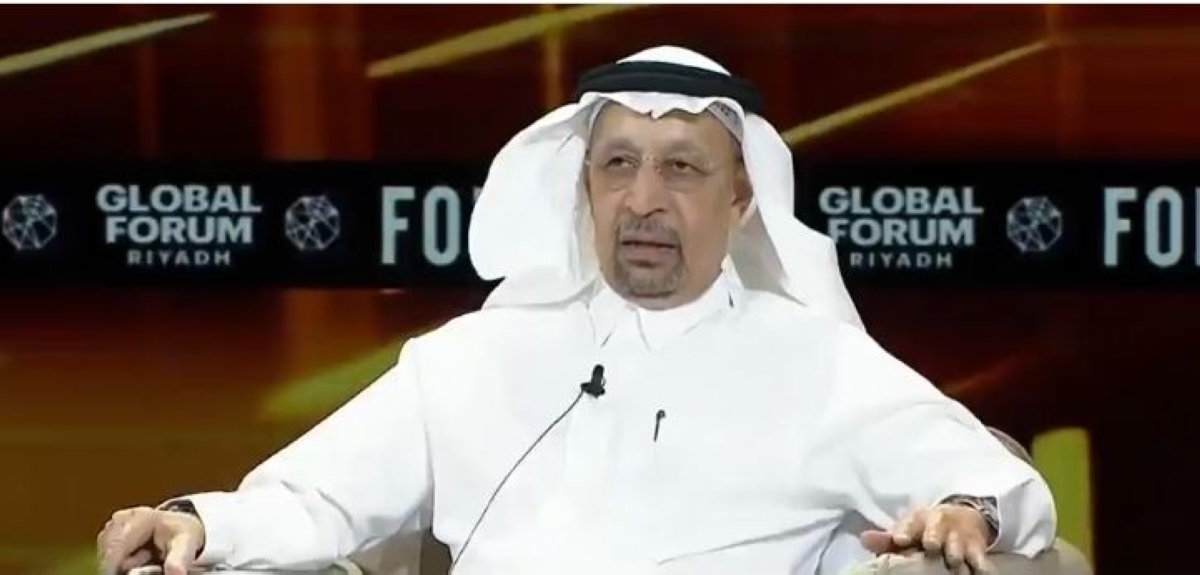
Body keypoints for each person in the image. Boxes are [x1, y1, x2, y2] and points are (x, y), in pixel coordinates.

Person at [97, 46, 1056, 575]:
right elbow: (318, 498)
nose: (643, 199)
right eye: (617, 165)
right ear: (583, 188)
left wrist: (966, 510)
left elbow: (982, 480)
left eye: (682, 168)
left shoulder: (820, 366)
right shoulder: (472, 358)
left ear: (740, 200)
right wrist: (195, 522)